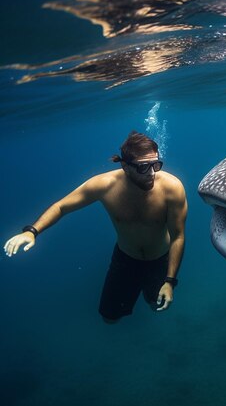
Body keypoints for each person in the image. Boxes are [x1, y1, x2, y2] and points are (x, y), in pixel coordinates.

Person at [3, 131, 188, 323]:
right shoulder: (105, 185)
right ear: (125, 166)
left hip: (160, 260)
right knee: (109, 318)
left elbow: (178, 236)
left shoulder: (172, 188)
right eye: (143, 168)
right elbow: (62, 206)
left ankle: (151, 294)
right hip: (126, 260)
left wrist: (169, 281)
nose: (151, 173)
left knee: (157, 306)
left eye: (155, 165)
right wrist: (32, 231)